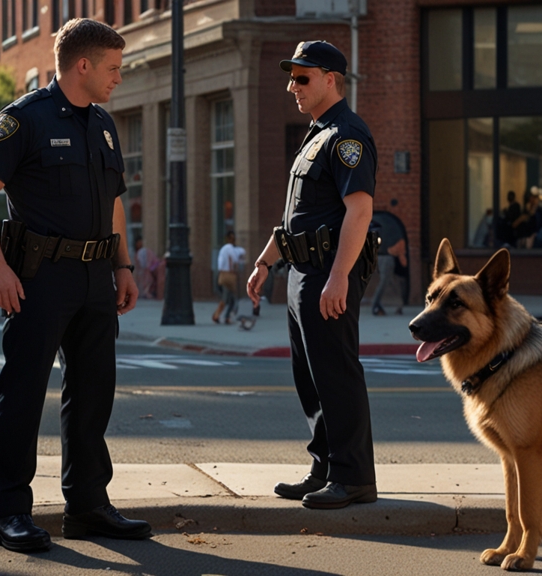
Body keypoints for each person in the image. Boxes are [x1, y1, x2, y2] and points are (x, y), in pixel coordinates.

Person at [0, 18, 150, 553]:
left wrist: (124, 265)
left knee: (93, 394)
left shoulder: (105, 125)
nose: (120, 75)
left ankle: (88, 505)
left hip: (96, 277)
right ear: (83, 65)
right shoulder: (24, 119)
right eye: (113, 67)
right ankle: (10, 513)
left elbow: (113, 203)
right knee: (22, 393)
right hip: (39, 277)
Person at [247, 40, 378, 510]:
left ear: (330, 79)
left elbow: (359, 211)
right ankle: (325, 467)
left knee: (336, 373)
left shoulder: (346, 135)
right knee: (311, 376)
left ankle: (354, 476)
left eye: (302, 78)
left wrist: (340, 275)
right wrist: (266, 261)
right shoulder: (316, 134)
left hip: (327, 272)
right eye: (291, 77)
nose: (292, 86)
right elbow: (295, 216)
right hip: (302, 270)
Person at [212, 231, 239, 324]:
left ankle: (225, 316)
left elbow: (220, 264)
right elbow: (235, 259)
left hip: (222, 275)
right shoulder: (230, 248)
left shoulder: (223, 249)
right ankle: (217, 315)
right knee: (227, 298)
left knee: (229, 298)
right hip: (229, 276)